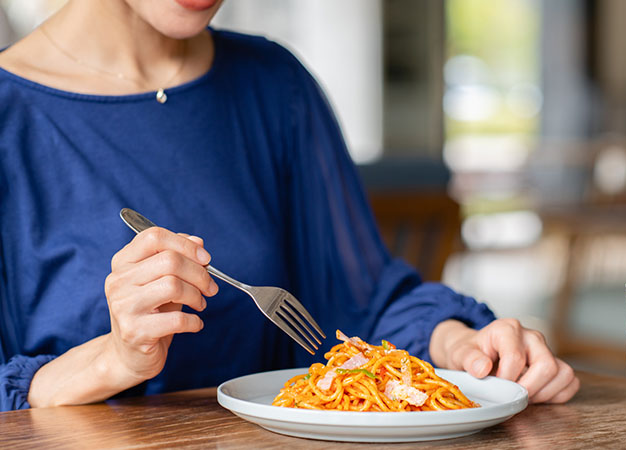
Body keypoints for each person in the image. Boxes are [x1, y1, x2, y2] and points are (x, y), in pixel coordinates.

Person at [0, 0, 579, 411]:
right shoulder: (12, 114)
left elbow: (363, 304)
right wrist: (114, 359)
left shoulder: (275, 85)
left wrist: (461, 345)